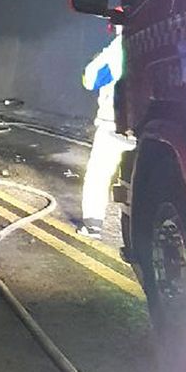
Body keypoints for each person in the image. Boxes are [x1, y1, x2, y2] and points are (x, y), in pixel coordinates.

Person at [78, 24, 133, 239]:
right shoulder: (156, 41)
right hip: (146, 129)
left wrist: (98, 58)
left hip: (113, 126)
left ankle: (92, 225)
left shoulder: (117, 49)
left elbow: (89, 79)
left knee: (98, 175)